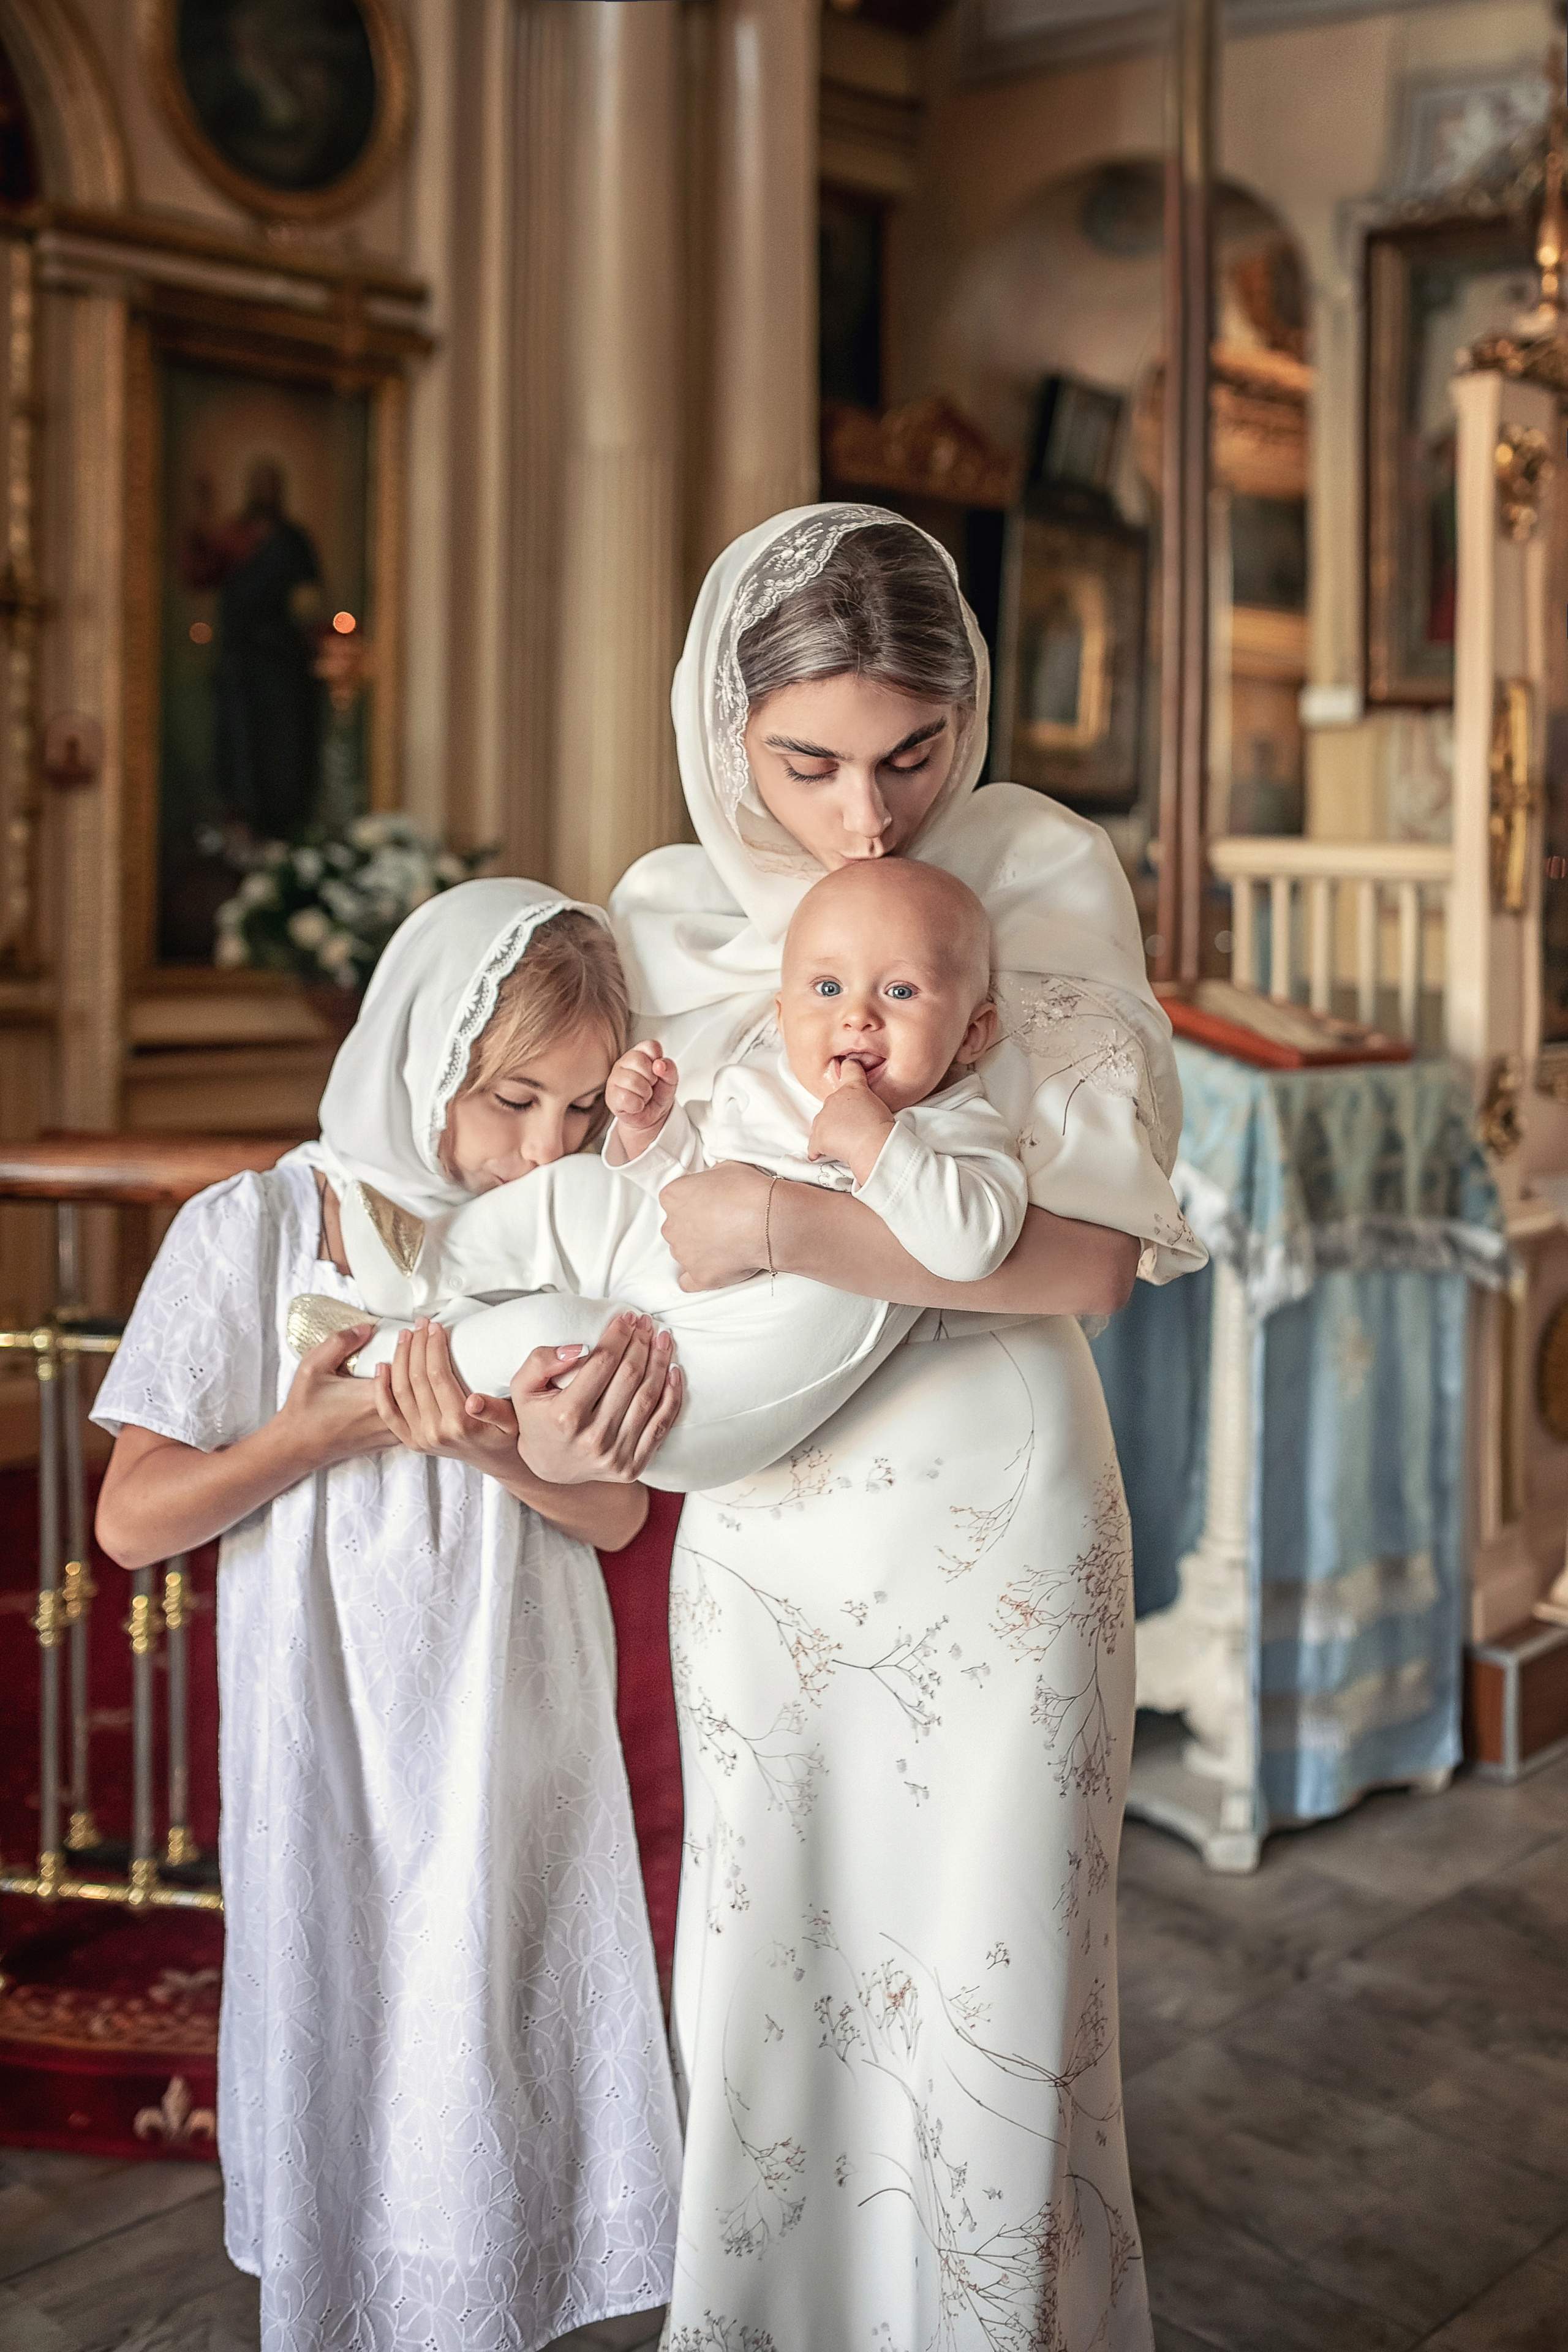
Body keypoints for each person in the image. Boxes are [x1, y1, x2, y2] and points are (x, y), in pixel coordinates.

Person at [608, 506, 1206, 2351]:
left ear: (971, 719)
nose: (867, 819)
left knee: (990, 1987)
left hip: (992, 1527)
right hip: (767, 1541)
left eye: (910, 756)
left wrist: (792, 1221)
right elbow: (638, 1227)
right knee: (766, 1973)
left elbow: (1088, 1264)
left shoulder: (1036, 873)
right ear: (726, 730)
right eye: (807, 763)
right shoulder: (663, 914)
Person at [92, 879, 684, 2352]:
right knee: (353, 2017)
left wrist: (491, 1442)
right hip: (332, 1728)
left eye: (576, 1113)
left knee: (502, 2027)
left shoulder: (571, 1239)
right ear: (422, 1055)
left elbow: (611, 1513)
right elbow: (130, 1518)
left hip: (513, 1709)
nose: (541, 1149)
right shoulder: (252, 1230)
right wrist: (316, 1434)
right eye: (509, 1101)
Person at [608, 859, 1026, 1284]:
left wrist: (872, 1143)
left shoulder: (961, 1128)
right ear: (783, 1018)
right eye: (829, 988)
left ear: (971, 1034)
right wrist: (648, 1126)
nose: (858, 1016)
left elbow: (972, 1252)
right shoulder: (754, 1089)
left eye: (901, 991)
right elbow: (684, 1194)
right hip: (672, 1326)